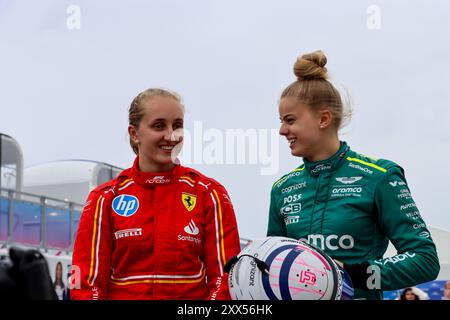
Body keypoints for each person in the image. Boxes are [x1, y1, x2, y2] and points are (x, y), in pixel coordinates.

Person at [267, 50, 440, 300]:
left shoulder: (380, 177)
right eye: (281, 121)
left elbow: (424, 260)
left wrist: (355, 274)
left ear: (324, 119)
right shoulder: (282, 188)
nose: (282, 130)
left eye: (290, 120)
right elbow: (274, 264)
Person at [71, 88, 241, 299]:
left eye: (177, 126)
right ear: (134, 134)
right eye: (159, 126)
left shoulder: (209, 193)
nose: (171, 135)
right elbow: (85, 282)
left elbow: (226, 279)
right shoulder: (104, 198)